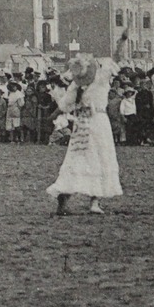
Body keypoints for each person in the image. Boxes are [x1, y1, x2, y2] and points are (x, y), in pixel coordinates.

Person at [47, 34, 128, 214]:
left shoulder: (75, 86)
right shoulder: (100, 79)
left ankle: (65, 196)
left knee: (77, 158)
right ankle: (94, 202)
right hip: (98, 122)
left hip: (81, 125)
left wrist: (52, 116)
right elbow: (116, 58)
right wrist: (122, 41)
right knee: (100, 158)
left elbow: (63, 106)